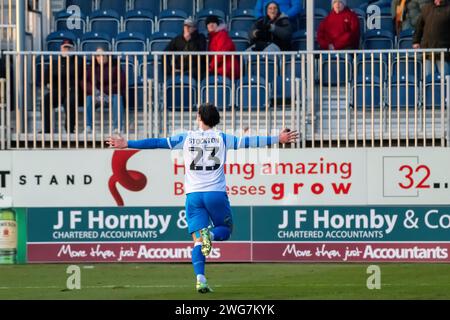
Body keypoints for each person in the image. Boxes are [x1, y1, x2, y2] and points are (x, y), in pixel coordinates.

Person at [106, 103, 299, 293]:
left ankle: (201, 279)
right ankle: (212, 236)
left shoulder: (186, 138)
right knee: (224, 229)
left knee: (197, 241)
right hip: (215, 194)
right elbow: (249, 141)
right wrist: (277, 138)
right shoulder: (223, 138)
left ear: (199, 117)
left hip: (194, 196)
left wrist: (127, 144)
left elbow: (156, 142)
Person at [84, 47, 126, 133]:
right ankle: (88, 127)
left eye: (103, 55)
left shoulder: (115, 66)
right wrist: (95, 92)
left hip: (110, 95)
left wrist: (105, 91)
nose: (101, 57)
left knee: (118, 98)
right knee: (88, 99)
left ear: (107, 55)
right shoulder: (91, 67)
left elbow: (122, 82)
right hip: (96, 96)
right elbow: (84, 82)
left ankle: (117, 128)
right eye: (98, 56)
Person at [42, 39, 79, 133]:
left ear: (73, 49)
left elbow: (78, 75)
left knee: (70, 101)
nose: (67, 50)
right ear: (61, 49)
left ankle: (69, 129)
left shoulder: (78, 61)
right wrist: (49, 83)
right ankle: (47, 130)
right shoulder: (55, 62)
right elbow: (47, 75)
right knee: (46, 100)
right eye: (65, 48)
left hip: (72, 89)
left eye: (69, 48)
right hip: (58, 90)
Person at [413, 0, 450, 75]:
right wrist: (416, 41)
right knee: (428, 78)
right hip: (427, 50)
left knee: (444, 78)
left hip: (443, 51)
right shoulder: (426, 8)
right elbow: (419, 26)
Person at [206, 15, 240, 80]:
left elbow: (221, 54)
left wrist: (211, 67)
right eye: (208, 23)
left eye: (213, 23)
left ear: (217, 24)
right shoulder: (213, 37)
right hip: (220, 68)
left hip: (227, 69)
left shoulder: (222, 35)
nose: (211, 25)